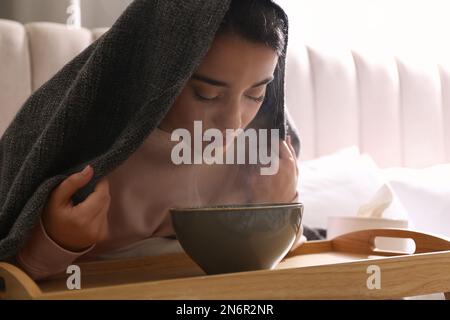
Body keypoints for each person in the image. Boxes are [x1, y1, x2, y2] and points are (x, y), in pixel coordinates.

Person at [14, 0, 305, 281]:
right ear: (159, 73)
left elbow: (289, 258)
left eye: (256, 94)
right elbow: (17, 271)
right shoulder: (92, 146)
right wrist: (56, 240)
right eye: (207, 94)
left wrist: (279, 207)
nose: (233, 123)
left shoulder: (262, 155)